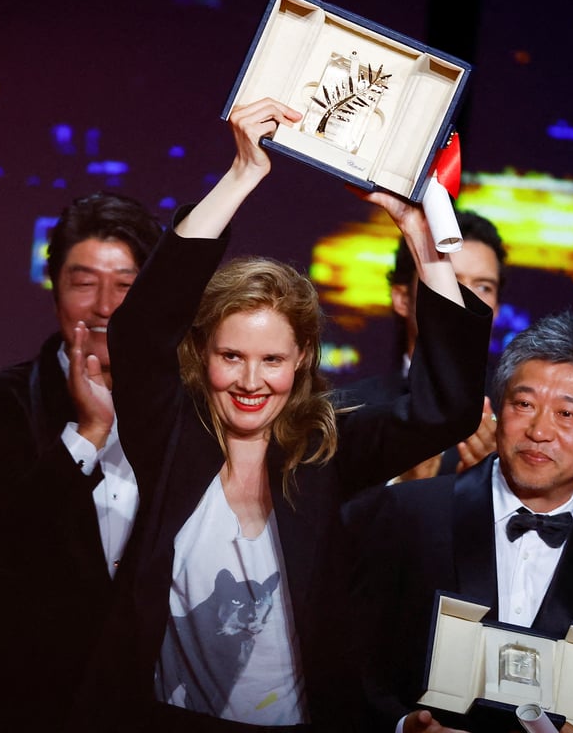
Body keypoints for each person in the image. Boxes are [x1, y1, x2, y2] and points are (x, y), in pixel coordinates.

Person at [67, 97, 493, 732]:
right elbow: (141, 330)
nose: (250, 381)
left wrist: (423, 240)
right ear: (203, 355)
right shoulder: (171, 434)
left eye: (272, 359)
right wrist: (243, 173)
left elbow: (446, 412)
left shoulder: (326, 450)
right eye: (231, 356)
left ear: (301, 361)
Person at [340, 310, 573, 732]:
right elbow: (347, 662)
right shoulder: (408, 514)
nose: (539, 430)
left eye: (566, 414)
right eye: (524, 404)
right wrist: (401, 725)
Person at [0, 191, 163, 731]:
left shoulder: (186, 409)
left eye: (126, 285)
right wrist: (88, 434)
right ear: (55, 288)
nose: (106, 306)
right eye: (84, 283)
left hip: (147, 699)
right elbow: (4, 543)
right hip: (21, 695)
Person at [341, 210, 506, 482]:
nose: (465, 298)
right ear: (402, 298)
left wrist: (498, 481)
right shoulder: (349, 410)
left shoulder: (516, 416)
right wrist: (402, 486)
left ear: (496, 309)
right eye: (451, 281)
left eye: (484, 287)